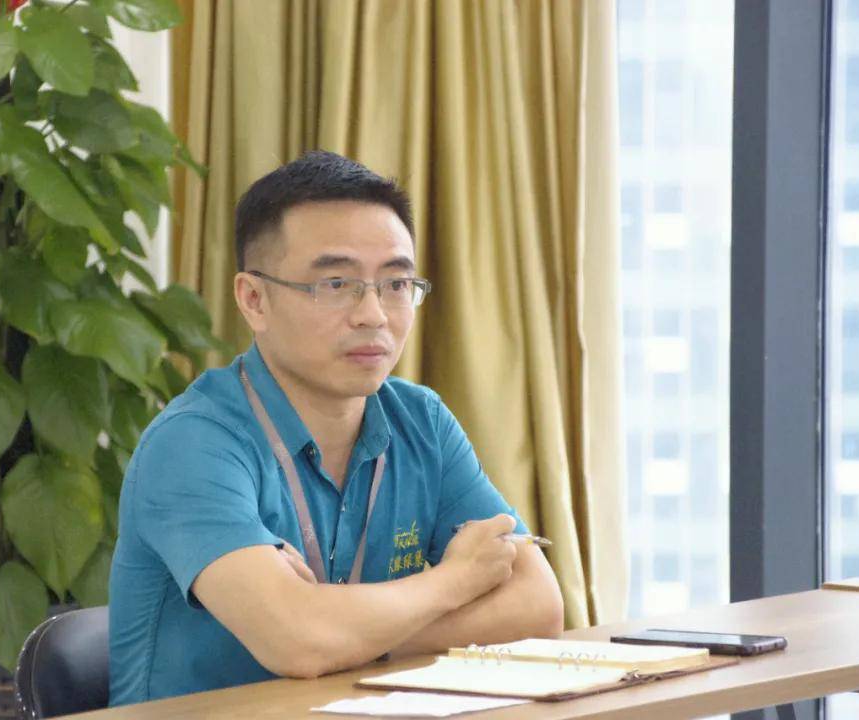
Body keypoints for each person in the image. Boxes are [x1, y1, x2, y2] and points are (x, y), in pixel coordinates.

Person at [108, 151, 564, 705]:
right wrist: (453, 582)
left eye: (396, 284)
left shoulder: (421, 421)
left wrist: (344, 633)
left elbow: (537, 604)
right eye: (336, 283)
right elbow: (298, 641)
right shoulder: (193, 443)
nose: (373, 314)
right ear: (254, 300)